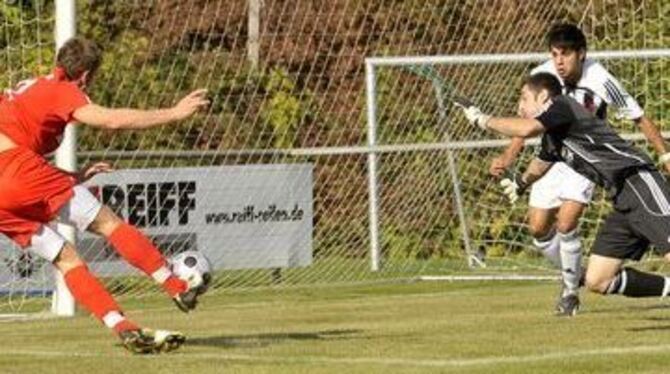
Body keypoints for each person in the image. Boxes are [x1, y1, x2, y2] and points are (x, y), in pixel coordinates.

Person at [0, 37, 209, 353]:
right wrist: (174, 113)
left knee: (66, 259)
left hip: (8, 188)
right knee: (108, 223)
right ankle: (176, 285)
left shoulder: (29, 88)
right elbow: (112, 119)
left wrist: (70, 177)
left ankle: (123, 327)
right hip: (18, 171)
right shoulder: (63, 89)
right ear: (85, 75)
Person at [488, 23, 669, 316]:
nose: (559, 61)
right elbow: (539, 154)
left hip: (632, 178)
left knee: (567, 221)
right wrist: (519, 180)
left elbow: (638, 117)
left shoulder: (582, 91)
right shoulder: (544, 82)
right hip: (614, 191)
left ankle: (569, 291)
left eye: (566, 54)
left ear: (581, 54)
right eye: (555, 54)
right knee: (597, 279)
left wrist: (665, 154)